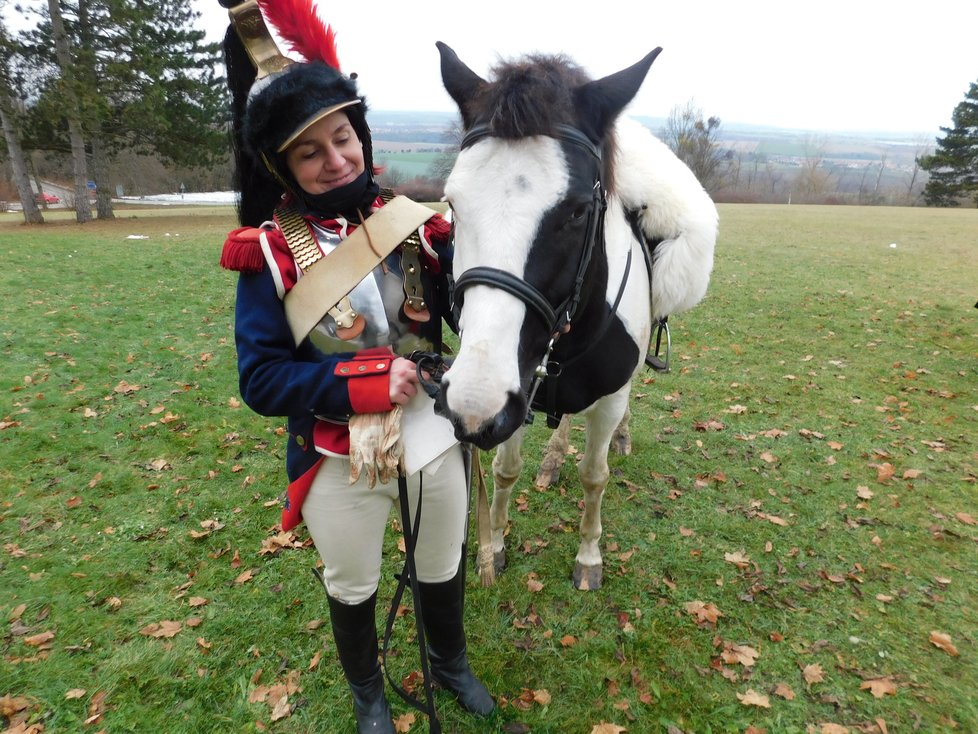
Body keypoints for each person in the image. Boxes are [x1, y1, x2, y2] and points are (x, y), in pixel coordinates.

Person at [216, 2, 494, 732]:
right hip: (337, 448)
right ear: (284, 165)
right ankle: (369, 694)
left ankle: (449, 662)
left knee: (441, 562)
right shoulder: (267, 251)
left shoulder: (417, 224)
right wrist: (360, 384)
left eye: (342, 138)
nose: (334, 158)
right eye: (310, 152)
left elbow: (460, 316)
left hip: (432, 430)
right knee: (353, 581)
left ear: (359, 134)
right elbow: (262, 380)